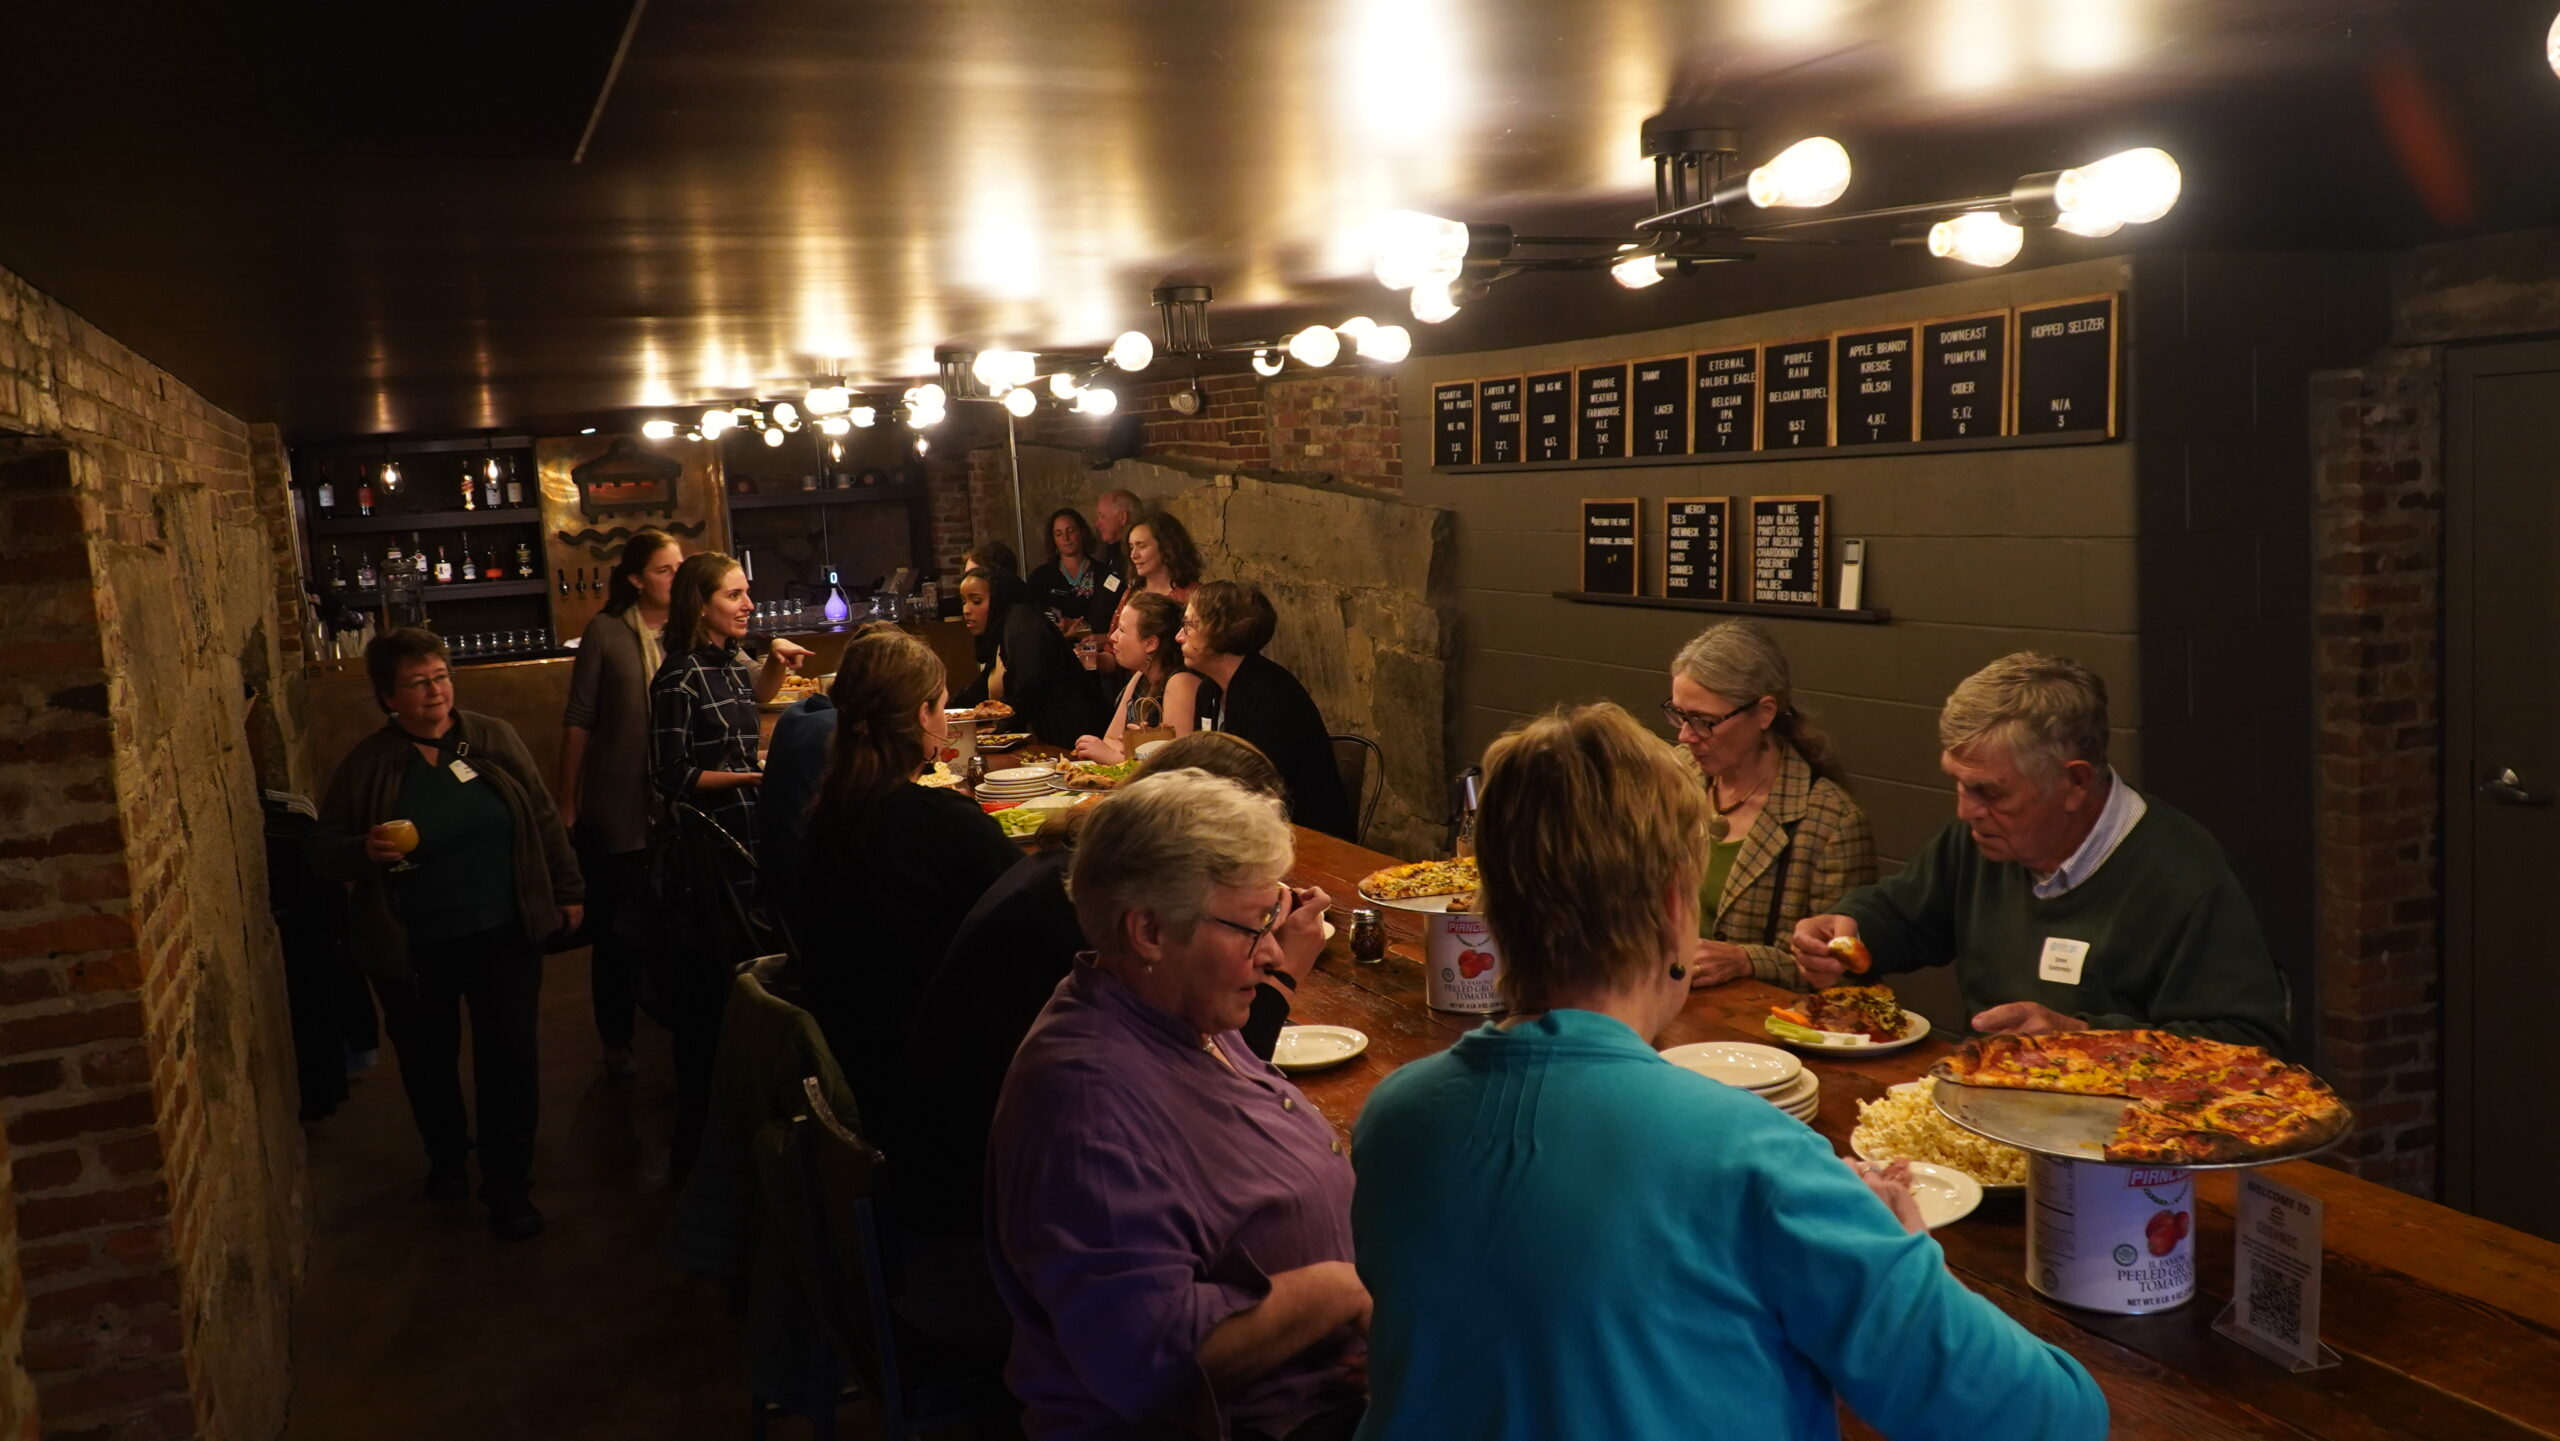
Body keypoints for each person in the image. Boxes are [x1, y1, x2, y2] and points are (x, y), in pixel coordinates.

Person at [1348, 702, 2107, 1441]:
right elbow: (2049, 1414)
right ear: (1675, 904)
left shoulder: (1394, 1116)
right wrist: (1906, 1254)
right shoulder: (1749, 1153)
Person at [891, 734, 1321, 1352]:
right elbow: (1144, 1343)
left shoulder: (1079, 886)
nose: (1269, 940)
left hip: (968, 1222)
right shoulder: (1078, 964)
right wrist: (1335, 1291)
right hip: (968, 1261)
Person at [987, 769, 1365, 1441]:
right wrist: (1335, 1291)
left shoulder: (1186, 1017)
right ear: (1150, 931)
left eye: (1272, 920)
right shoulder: (1087, 1104)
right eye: (1253, 928)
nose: (1273, 952)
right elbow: (1151, 1357)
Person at [1792, 652, 2290, 1049]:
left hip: (2126, 1150)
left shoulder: (2183, 876)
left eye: (1989, 791)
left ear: (2074, 782)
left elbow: (2250, 1043)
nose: (1966, 811)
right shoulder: (1981, 839)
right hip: (1994, 1113)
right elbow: (1906, 914)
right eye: (1958, 785)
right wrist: (1850, 929)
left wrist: (2083, 1040)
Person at [308, 628, 584, 1241]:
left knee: (509, 1060)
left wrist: (567, 889)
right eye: (416, 683)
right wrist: (364, 849)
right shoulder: (368, 765)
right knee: (427, 1061)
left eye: (440, 676)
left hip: (503, 930)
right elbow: (323, 852)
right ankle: (447, 1158)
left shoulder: (490, 737)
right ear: (387, 698)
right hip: (414, 945)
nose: (435, 691)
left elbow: (540, 813)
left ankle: (508, 1185)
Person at [796, 626, 1020, 1117]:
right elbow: (1031, 916)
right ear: (924, 715)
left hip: (858, 1064)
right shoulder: (939, 824)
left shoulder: (825, 818)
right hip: (943, 1084)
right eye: (940, 705)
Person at [1663, 621, 1876, 990]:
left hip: (1760, 1029)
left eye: (1704, 721)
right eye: (1679, 715)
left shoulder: (1829, 821)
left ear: (1764, 713)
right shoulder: (1670, 777)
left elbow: (1842, 975)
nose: (1686, 735)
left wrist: (1748, 960)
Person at [559, 528, 682, 1077]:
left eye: (681, 568)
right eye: (664, 570)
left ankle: (672, 1022)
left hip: (677, 805)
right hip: (618, 802)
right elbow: (580, 718)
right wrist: (567, 798)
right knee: (615, 928)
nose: (676, 579)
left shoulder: (691, 630)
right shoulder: (606, 632)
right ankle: (616, 1038)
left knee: (670, 919)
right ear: (636, 579)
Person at [649, 551, 812, 895]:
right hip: (712, 836)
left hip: (749, 822)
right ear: (700, 606)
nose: (749, 605)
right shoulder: (680, 675)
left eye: (746, 593)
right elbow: (670, 774)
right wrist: (751, 777)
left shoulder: (731, 662)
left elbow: (761, 696)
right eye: (734, 595)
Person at [1181, 580, 1356, 840]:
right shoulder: (1210, 691)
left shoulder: (1273, 695)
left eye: (1189, 626)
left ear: (1220, 633)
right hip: (1236, 828)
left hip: (1299, 837)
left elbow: (1262, 789)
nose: (1179, 636)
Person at [953, 565, 1107, 749]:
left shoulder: (1022, 624)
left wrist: (1002, 728)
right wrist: (944, 712)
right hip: (1058, 734)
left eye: (976, 601)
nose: (966, 610)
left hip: (1078, 737)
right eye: (963, 601)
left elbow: (1028, 683)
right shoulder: (1006, 626)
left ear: (998, 599)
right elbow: (978, 688)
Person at [1071, 590, 1200, 763]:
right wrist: (1127, 754)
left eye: (1122, 630)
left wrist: (1114, 757)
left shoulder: (1180, 682)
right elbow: (1110, 740)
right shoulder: (1140, 676)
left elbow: (1175, 764)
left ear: (1150, 643)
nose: (1112, 637)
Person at [1081, 487, 1141, 633]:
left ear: (1122, 517)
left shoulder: (1134, 560)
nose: (1097, 523)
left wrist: (1107, 639)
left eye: (1102, 516)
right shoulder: (1111, 554)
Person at [1026, 507, 1101, 623]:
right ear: (1053, 539)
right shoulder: (1040, 577)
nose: (1066, 538)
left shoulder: (1103, 574)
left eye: (1071, 531)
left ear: (1082, 532)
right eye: (1059, 534)